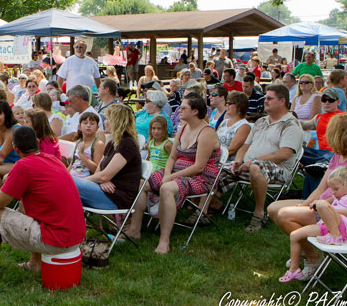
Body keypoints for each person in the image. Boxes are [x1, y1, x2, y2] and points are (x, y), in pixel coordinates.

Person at [0, 126, 85, 285]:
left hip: (56, 240)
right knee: (24, 204)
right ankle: (34, 263)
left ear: (15, 148)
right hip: (76, 236)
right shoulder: (52, 159)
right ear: (37, 142)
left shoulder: (24, 166)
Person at [268, 113, 347, 281]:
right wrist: (305, 204)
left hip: (335, 213)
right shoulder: (338, 156)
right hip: (321, 204)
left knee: (284, 214)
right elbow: (321, 188)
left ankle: (313, 258)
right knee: (273, 208)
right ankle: (307, 250)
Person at [126, 93, 220, 253]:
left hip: (201, 177)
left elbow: (198, 167)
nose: (179, 110)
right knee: (140, 183)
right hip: (176, 172)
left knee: (167, 188)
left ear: (195, 111)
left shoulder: (207, 133)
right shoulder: (183, 129)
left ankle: (164, 241)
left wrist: (171, 177)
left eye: (184, 108)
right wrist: (167, 172)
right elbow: (173, 156)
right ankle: (135, 229)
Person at [230, 84, 304, 233]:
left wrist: (254, 160)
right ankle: (212, 207)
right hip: (248, 164)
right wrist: (238, 159)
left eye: (270, 98)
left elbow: (284, 154)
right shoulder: (260, 122)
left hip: (278, 169)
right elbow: (245, 146)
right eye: (265, 98)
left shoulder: (291, 124)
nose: (265, 101)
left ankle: (259, 213)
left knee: (256, 167)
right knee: (218, 168)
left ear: (282, 101)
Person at [279, 166, 347, 282]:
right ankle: (294, 270)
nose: (333, 192)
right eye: (332, 190)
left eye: (336, 189)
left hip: (344, 227)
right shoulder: (335, 196)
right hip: (327, 225)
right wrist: (314, 203)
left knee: (322, 204)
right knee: (295, 235)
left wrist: (328, 209)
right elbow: (322, 204)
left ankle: (335, 237)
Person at [72, 103, 142, 213]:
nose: (105, 122)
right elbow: (99, 173)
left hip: (116, 198)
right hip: (103, 190)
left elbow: (104, 175)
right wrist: (101, 181)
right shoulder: (112, 143)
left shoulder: (127, 144)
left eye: (108, 119)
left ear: (116, 121)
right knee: (64, 190)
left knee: (66, 182)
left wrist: (83, 181)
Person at [298, 88, 345, 191]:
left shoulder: (343, 117)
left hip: (335, 153)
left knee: (317, 165)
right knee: (297, 148)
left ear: (338, 101)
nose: (327, 103)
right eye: (324, 100)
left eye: (330, 100)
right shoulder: (318, 118)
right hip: (319, 154)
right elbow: (303, 125)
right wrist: (289, 120)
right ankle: (319, 164)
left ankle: (320, 164)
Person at [216, 91, 251, 161]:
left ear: (240, 106)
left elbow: (232, 150)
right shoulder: (224, 122)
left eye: (230, 103)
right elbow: (214, 140)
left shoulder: (244, 126)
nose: (226, 105)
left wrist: (210, 156)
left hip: (227, 162)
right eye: (227, 103)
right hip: (214, 157)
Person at [68, 112, 105, 178]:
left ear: (97, 127)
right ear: (79, 127)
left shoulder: (98, 144)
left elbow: (97, 170)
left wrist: (81, 154)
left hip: (85, 180)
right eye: (85, 123)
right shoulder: (79, 142)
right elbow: (72, 164)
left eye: (92, 124)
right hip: (72, 176)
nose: (88, 126)